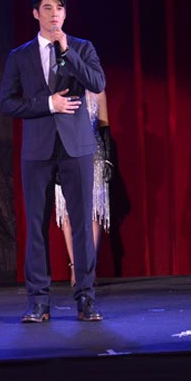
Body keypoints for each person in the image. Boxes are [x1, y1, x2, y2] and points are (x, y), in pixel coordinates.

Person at [0, 0, 106, 322]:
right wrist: (49, 104)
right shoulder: (20, 55)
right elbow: (7, 102)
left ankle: (86, 298)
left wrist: (67, 51)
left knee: (82, 223)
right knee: (36, 225)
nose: (54, 14)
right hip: (38, 148)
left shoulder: (82, 47)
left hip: (76, 146)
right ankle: (39, 302)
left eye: (59, 8)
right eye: (47, 8)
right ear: (36, 13)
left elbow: (97, 83)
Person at [54, 90, 112, 286]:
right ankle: (74, 267)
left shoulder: (98, 92)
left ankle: (89, 268)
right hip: (66, 154)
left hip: (94, 155)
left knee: (93, 212)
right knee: (68, 212)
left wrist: (108, 160)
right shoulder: (63, 90)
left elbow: (104, 127)